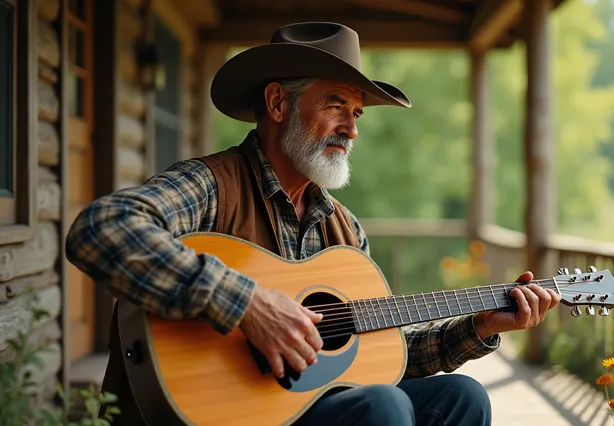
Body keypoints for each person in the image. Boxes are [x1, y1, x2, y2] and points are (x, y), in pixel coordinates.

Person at [65, 22, 561, 426]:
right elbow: (102, 228)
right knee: (383, 409)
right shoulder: (212, 184)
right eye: (335, 105)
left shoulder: (344, 230)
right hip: (221, 411)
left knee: (463, 397)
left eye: (357, 113)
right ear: (278, 104)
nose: (352, 128)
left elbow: (383, 356)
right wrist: (248, 305)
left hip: (307, 407)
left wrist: (482, 325)